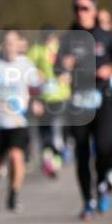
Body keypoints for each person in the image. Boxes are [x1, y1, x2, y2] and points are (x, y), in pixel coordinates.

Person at [55, 0, 112, 220]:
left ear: (94, 10)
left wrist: (111, 68)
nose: (80, 12)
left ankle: (104, 184)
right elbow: (57, 68)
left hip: (102, 99)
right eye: (76, 8)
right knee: (82, 152)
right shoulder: (68, 38)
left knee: (105, 146)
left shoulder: (107, 37)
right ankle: (88, 199)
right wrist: (64, 67)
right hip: (78, 101)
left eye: (85, 8)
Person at [0, 28, 42, 212]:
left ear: (19, 44)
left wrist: (36, 102)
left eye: (13, 42)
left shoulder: (25, 64)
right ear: (1, 45)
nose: (10, 46)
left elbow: (37, 86)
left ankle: (13, 194)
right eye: (6, 43)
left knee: (15, 156)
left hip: (17, 121)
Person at [26, 26, 71, 178]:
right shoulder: (36, 50)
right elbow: (25, 68)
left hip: (60, 96)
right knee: (44, 132)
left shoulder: (61, 48)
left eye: (50, 36)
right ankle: (49, 159)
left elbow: (73, 66)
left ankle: (57, 158)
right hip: (43, 97)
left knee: (56, 129)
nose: (48, 38)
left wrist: (68, 74)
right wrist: (36, 74)